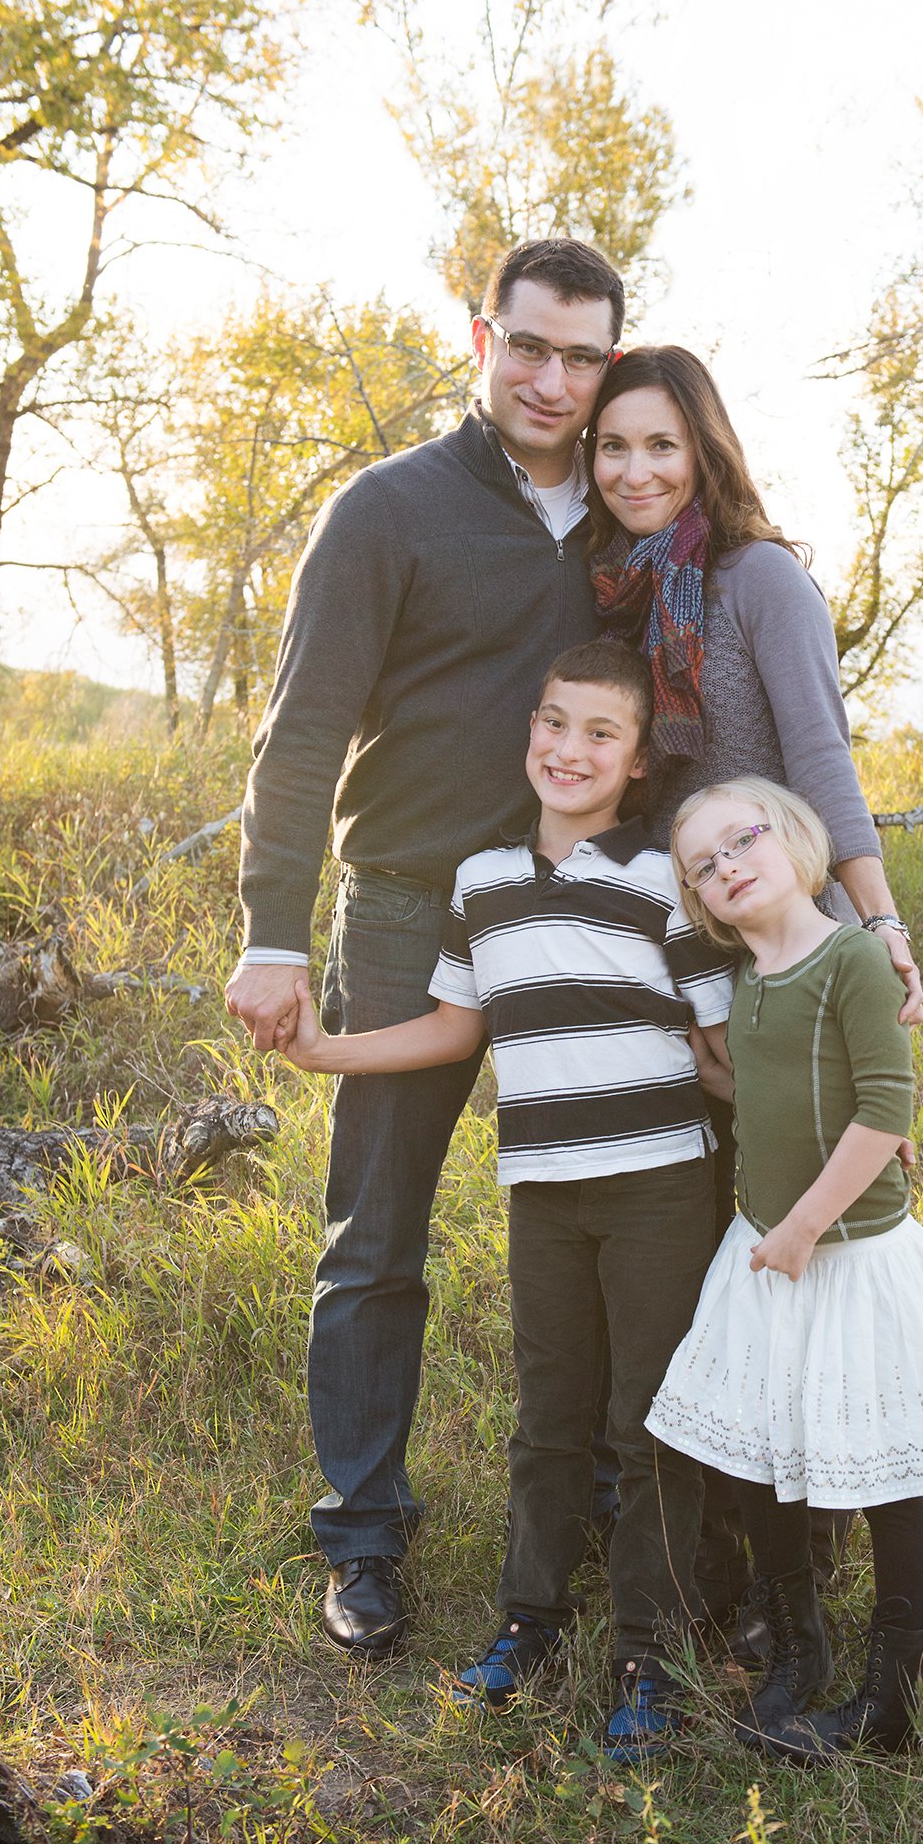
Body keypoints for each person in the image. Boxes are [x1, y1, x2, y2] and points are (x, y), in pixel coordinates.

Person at [224, 239, 627, 1660]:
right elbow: (300, 733)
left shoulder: (631, 518)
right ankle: (361, 1537)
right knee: (377, 1234)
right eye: (528, 345)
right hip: (401, 905)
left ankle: (591, 1510)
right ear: (478, 337)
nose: (551, 380)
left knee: (595, 1217)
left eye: (581, 356)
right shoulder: (384, 511)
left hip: (577, 916)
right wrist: (274, 933)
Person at [278, 642, 734, 1761]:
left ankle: (647, 1653)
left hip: (661, 1187)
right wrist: (323, 1048)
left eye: (598, 734)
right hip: (543, 1193)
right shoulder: (479, 881)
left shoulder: (660, 877)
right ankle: (526, 1619)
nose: (567, 749)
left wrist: (821, 1141)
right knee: (547, 1420)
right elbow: (452, 1027)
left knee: (645, 1426)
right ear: (526, 729)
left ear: (635, 763)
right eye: (552, 722)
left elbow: (719, 1046)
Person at [585, 343, 923, 1633]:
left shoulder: (756, 578)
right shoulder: (616, 590)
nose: (633, 469)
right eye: (613, 447)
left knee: (814, 1245)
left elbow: (823, 757)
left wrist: (875, 920)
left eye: (660, 445)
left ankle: (820, 1543)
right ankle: (719, 1545)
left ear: (704, 449)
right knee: (721, 1250)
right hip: (687, 958)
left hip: (793, 953)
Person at [648, 777, 923, 1760]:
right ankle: (797, 1651)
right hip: (767, 1251)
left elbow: (884, 1112)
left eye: (740, 841)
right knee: (764, 1454)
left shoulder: (851, 958)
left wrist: (802, 1226)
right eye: (703, 866)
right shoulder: (749, 984)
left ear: (794, 839)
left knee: (890, 1483)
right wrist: (701, 1066)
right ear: (698, 900)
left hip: (844, 1258)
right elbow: (756, 1085)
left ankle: (888, 1703)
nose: (726, 867)